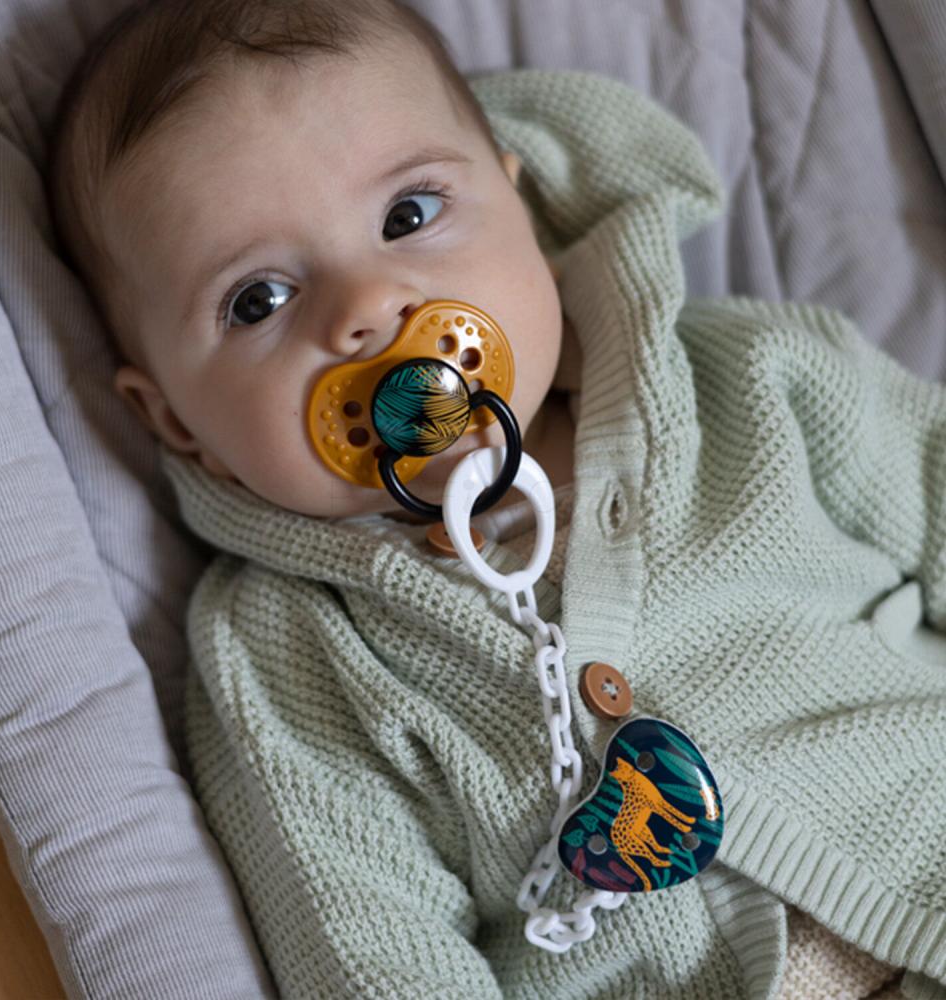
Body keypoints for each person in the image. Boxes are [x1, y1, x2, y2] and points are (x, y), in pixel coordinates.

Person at [46, 0, 946, 997]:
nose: (367, 307)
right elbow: (371, 954)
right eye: (259, 299)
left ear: (522, 216)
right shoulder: (286, 656)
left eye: (408, 215)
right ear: (176, 421)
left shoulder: (754, 380)